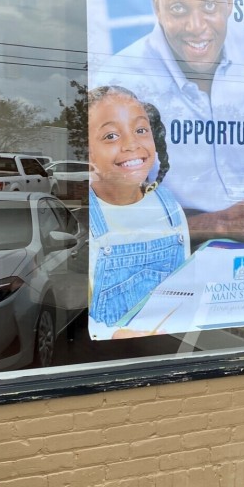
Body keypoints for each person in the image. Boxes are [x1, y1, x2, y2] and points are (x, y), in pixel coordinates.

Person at [90, 0, 244, 244]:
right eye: (177, 8)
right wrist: (217, 223)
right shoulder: (120, 82)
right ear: (156, 6)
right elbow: (116, 210)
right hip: (166, 261)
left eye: (210, 4)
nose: (196, 26)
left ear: (229, 0)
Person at [87, 85, 190, 339]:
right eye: (111, 136)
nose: (132, 144)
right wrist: (111, 335)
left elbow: (186, 290)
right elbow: (75, 315)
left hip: (168, 349)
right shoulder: (84, 217)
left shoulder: (169, 208)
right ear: (87, 154)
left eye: (141, 130)